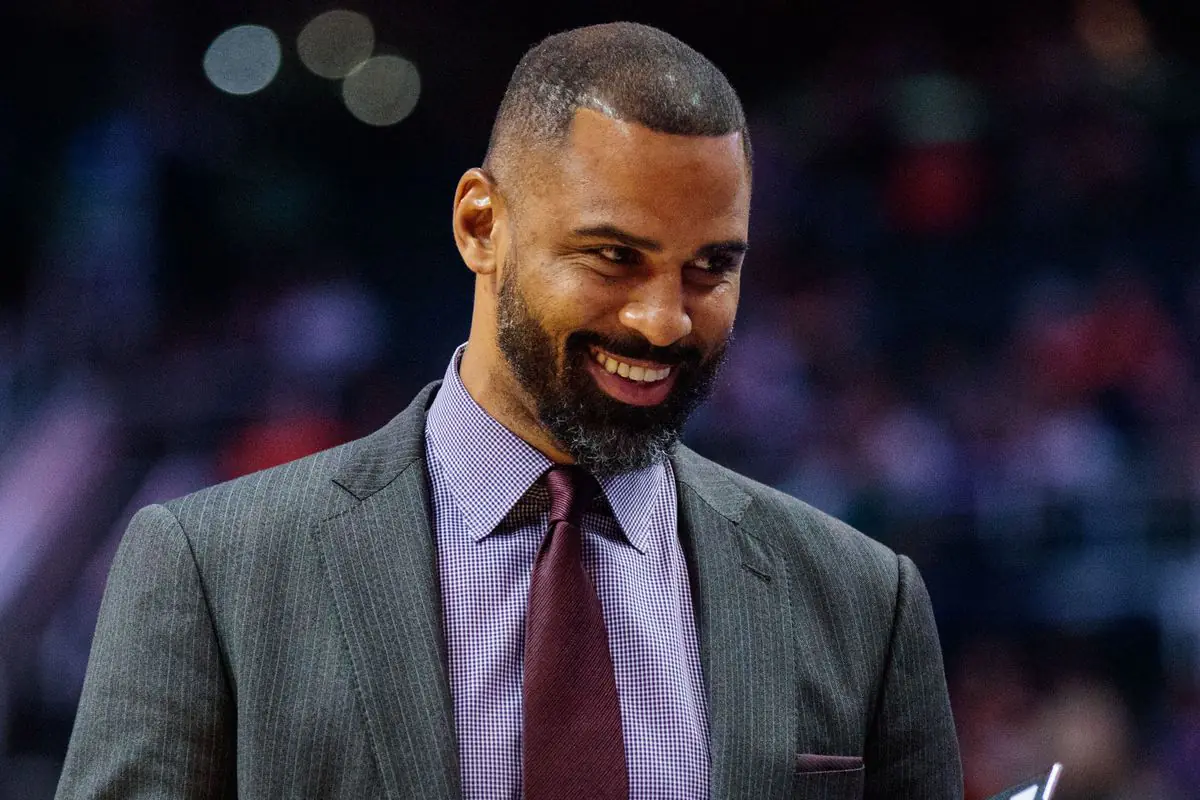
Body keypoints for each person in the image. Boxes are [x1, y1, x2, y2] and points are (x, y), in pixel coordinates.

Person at [57, 21, 962, 800]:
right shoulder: (212, 571)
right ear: (481, 225)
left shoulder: (864, 600)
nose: (663, 319)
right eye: (613, 256)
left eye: (710, 268)